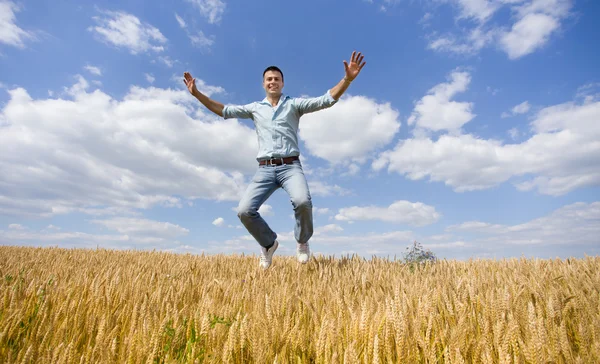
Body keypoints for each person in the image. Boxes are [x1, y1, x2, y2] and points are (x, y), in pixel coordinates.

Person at [183, 51, 366, 269]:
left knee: (303, 202)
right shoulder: (255, 109)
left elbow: (326, 100)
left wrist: (347, 79)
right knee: (244, 211)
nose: (273, 82)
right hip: (265, 169)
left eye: (276, 79)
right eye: (269, 79)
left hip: (290, 166)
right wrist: (197, 95)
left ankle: (302, 241)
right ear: (263, 84)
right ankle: (268, 244)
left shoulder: (294, 105)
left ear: (282, 83)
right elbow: (223, 110)